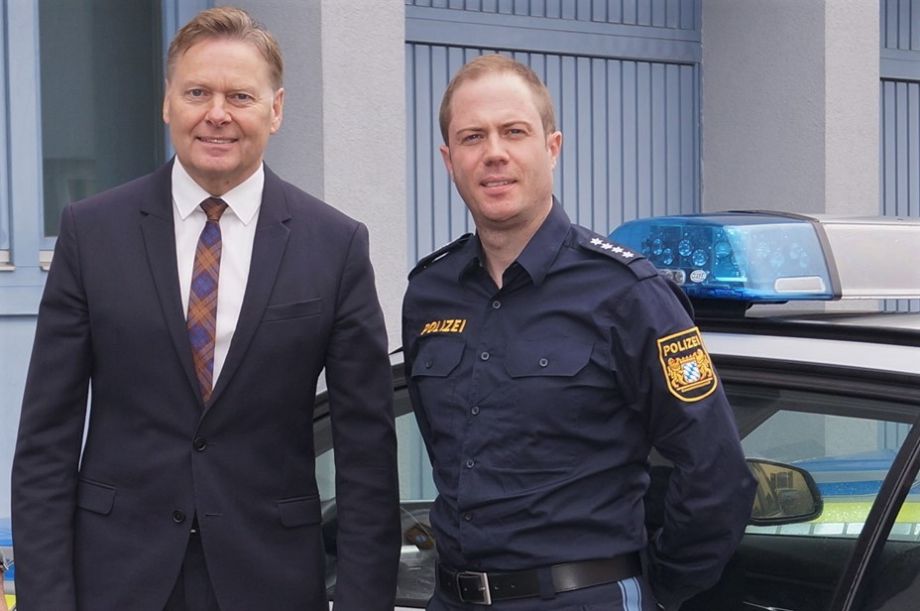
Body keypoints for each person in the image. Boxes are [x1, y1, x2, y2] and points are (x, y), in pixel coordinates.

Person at [11, 7, 400, 611]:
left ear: (275, 109)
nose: (217, 113)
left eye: (240, 95)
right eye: (197, 92)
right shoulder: (91, 233)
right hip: (116, 582)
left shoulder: (335, 245)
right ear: (169, 103)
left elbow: (367, 456)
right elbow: (45, 443)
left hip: (270, 583)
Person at [402, 54, 756, 611]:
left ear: (553, 146)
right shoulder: (429, 293)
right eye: (472, 137)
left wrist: (657, 589)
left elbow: (717, 474)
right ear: (450, 160)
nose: (494, 153)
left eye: (514, 132)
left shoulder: (629, 293)